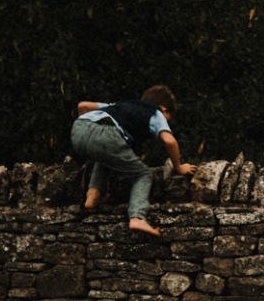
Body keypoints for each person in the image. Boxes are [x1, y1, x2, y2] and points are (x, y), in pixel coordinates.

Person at [71, 85, 196, 236]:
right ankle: (137, 216)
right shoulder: (156, 113)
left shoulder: (121, 105)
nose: (166, 122)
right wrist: (178, 166)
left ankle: (93, 196)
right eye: (167, 119)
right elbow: (169, 141)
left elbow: (83, 106)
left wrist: (89, 130)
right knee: (143, 174)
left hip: (79, 128)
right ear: (164, 109)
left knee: (106, 156)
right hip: (106, 134)